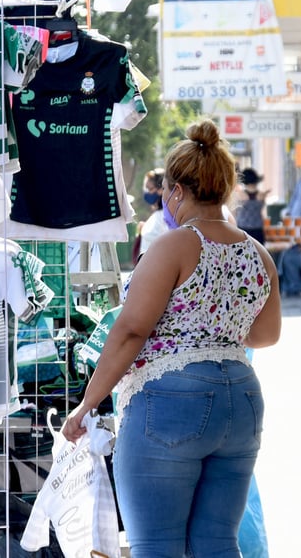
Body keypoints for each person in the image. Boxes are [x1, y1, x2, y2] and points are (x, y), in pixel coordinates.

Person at [61, 117, 282, 557]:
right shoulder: (256, 253)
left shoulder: (175, 245)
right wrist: (216, 325)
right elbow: (266, 335)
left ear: (177, 191)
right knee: (218, 544)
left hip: (170, 401)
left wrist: (87, 404)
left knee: (157, 546)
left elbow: (131, 331)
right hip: (241, 404)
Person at [134, 167, 165, 264]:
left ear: (161, 189)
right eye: (146, 189)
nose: (147, 193)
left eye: (150, 189)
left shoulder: (167, 217)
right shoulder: (156, 216)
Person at [235, 167, 269, 244]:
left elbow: (235, 214)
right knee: (258, 254)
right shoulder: (261, 195)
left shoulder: (240, 195)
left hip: (242, 230)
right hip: (258, 230)